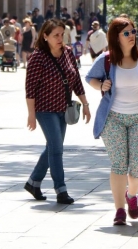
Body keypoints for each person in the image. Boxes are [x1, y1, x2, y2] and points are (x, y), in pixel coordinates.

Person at [85, 18, 138, 224]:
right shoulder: (106, 59)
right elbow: (90, 79)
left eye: (133, 32)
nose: (132, 36)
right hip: (114, 118)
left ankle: (131, 195)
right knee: (119, 165)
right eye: (127, 33)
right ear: (116, 37)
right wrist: (101, 85)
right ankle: (119, 210)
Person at [24, 19, 91, 205]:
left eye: (62, 34)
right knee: (57, 148)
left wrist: (85, 104)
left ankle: (33, 182)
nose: (60, 38)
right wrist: (31, 115)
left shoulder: (68, 53)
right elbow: (30, 89)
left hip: (63, 108)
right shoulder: (38, 57)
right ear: (45, 36)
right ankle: (61, 190)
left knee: (53, 147)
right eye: (56, 35)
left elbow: (76, 80)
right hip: (45, 110)